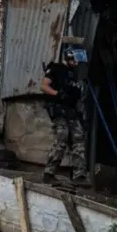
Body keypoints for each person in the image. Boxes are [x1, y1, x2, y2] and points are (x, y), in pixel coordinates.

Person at [41, 45, 89, 185]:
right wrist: (58, 94)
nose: (76, 63)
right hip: (58, 109)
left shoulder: (74, 75)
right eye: (74, 59)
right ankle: (49, 173)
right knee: (62, 136)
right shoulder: (56, 69)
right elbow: (44, 86)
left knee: (79, 138)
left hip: (71, 111)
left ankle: (79, 175)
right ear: (68, 57)